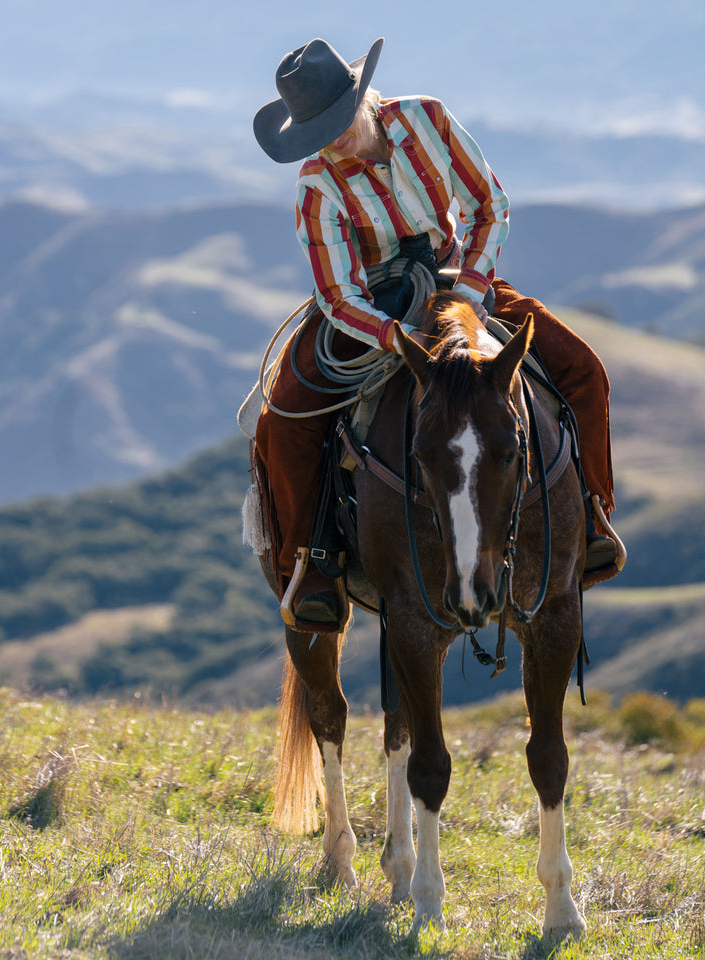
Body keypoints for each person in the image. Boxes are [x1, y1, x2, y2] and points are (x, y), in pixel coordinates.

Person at [252, 37, 618, 628]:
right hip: (375, 306)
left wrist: (469, 294)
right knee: (283, 421)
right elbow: (338, 295)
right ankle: (311, 561)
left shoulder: (428, 118)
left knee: (582, 370)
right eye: (318, 130)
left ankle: (595, 512)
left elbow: (489, 205)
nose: (334, 138)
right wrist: (397, 338)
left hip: (459, 280)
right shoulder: (316, 187)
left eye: (339, 121)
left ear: (362, 98)